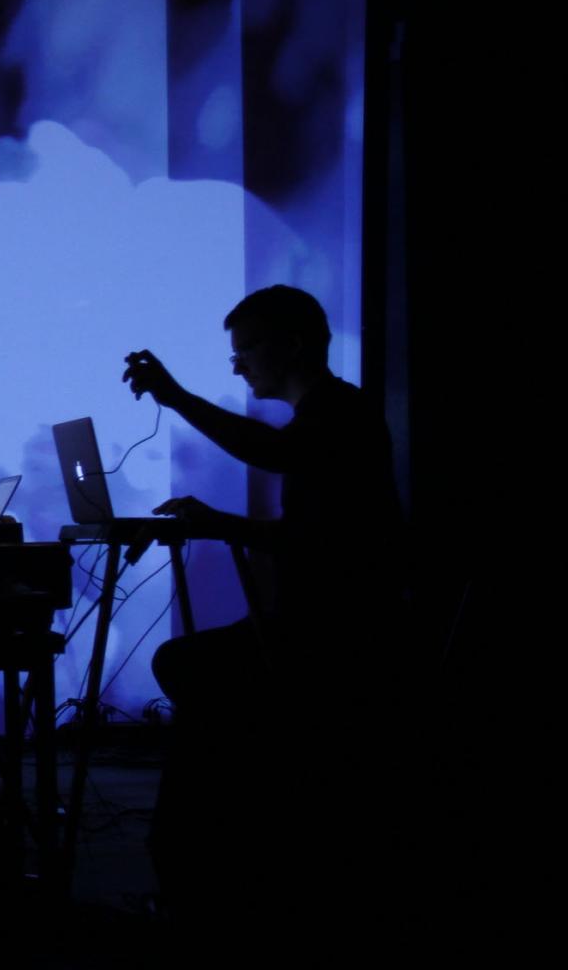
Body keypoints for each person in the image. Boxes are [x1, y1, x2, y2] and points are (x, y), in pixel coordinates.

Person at [122, 284, 405, 927]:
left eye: (246, 348)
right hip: (323, 631)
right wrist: (219, 521)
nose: (238, 363)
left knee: (193, 672)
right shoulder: (333, 418)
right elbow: (304, 534)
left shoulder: (339, 415)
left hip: (335, 640)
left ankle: (198, 876)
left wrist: (178, 398)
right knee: (194, 671)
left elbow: (278, 460)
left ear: (292, 344)